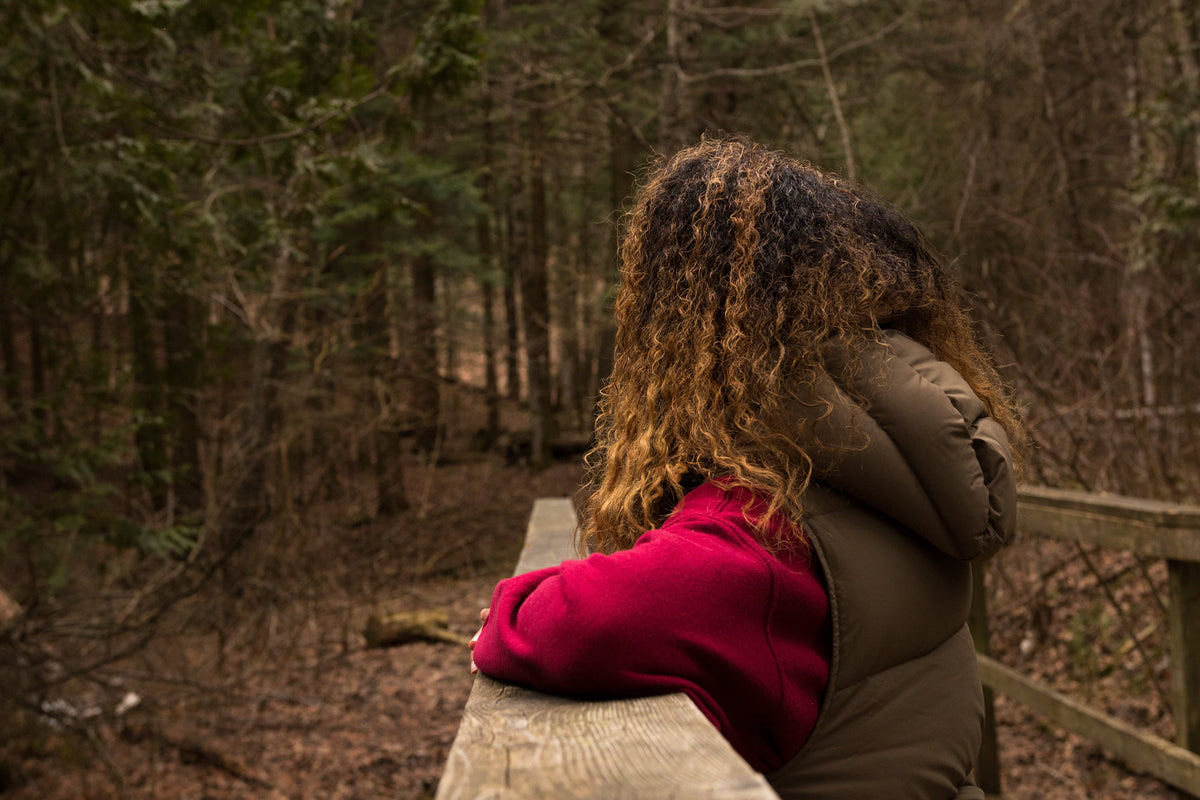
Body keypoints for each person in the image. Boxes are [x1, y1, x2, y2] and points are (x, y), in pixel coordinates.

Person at [468, 136, 1021, 800]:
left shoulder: (758, 537)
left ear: (687, 335)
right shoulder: (896, 483)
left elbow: (572, 627)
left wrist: (510, 607)